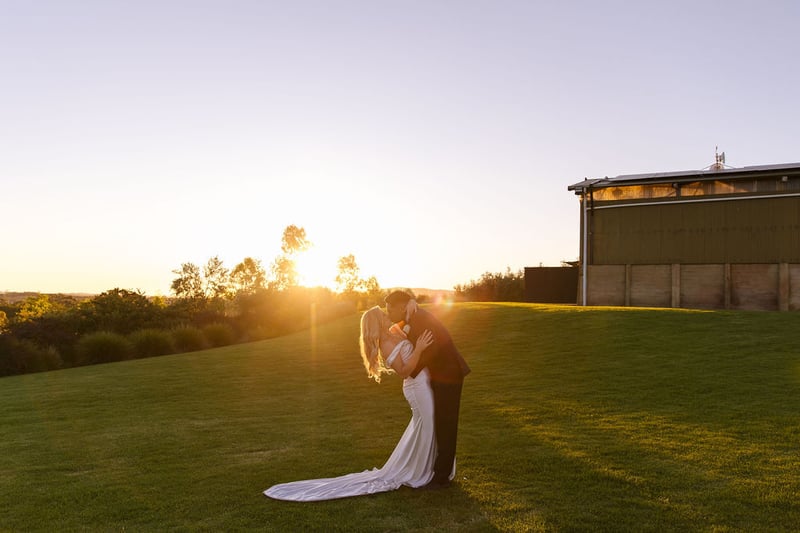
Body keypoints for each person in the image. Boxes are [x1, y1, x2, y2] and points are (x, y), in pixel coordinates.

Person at [263, 306, 435, 501]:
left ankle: (422, 467)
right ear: (377, 322)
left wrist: (412, 303)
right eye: (383, 315)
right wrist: (419, 349)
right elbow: (404, 371)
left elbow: (409, 319)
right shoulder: (385, 345)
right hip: (414, 387)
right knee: (427, 424)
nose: (388, 315)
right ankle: (422, 473)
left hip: (423, 383)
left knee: (424, 425)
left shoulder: (394, 330)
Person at [385, 290, 470, 489]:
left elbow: (431, 350)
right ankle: (438, 472)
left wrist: (409, 372)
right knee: (441, 423)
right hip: (441, 375)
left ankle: (441, 477)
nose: (388, 314)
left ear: (401, 307)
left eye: (390, 310)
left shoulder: (420, 318)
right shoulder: (412, 316)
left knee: (446, 424)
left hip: (449, 374)